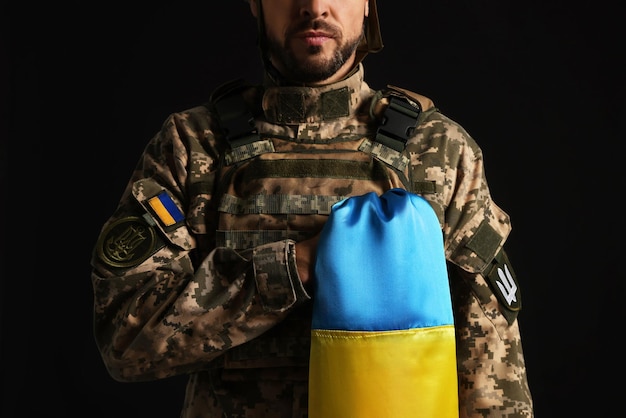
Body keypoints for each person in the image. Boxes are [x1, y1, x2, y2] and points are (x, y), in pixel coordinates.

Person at [90, 0, 534, 417]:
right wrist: (297, 265)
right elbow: (125, 341)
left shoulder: (438, 149)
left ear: (367, 4)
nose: (314, 6)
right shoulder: (191, 146)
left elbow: (493, 374)